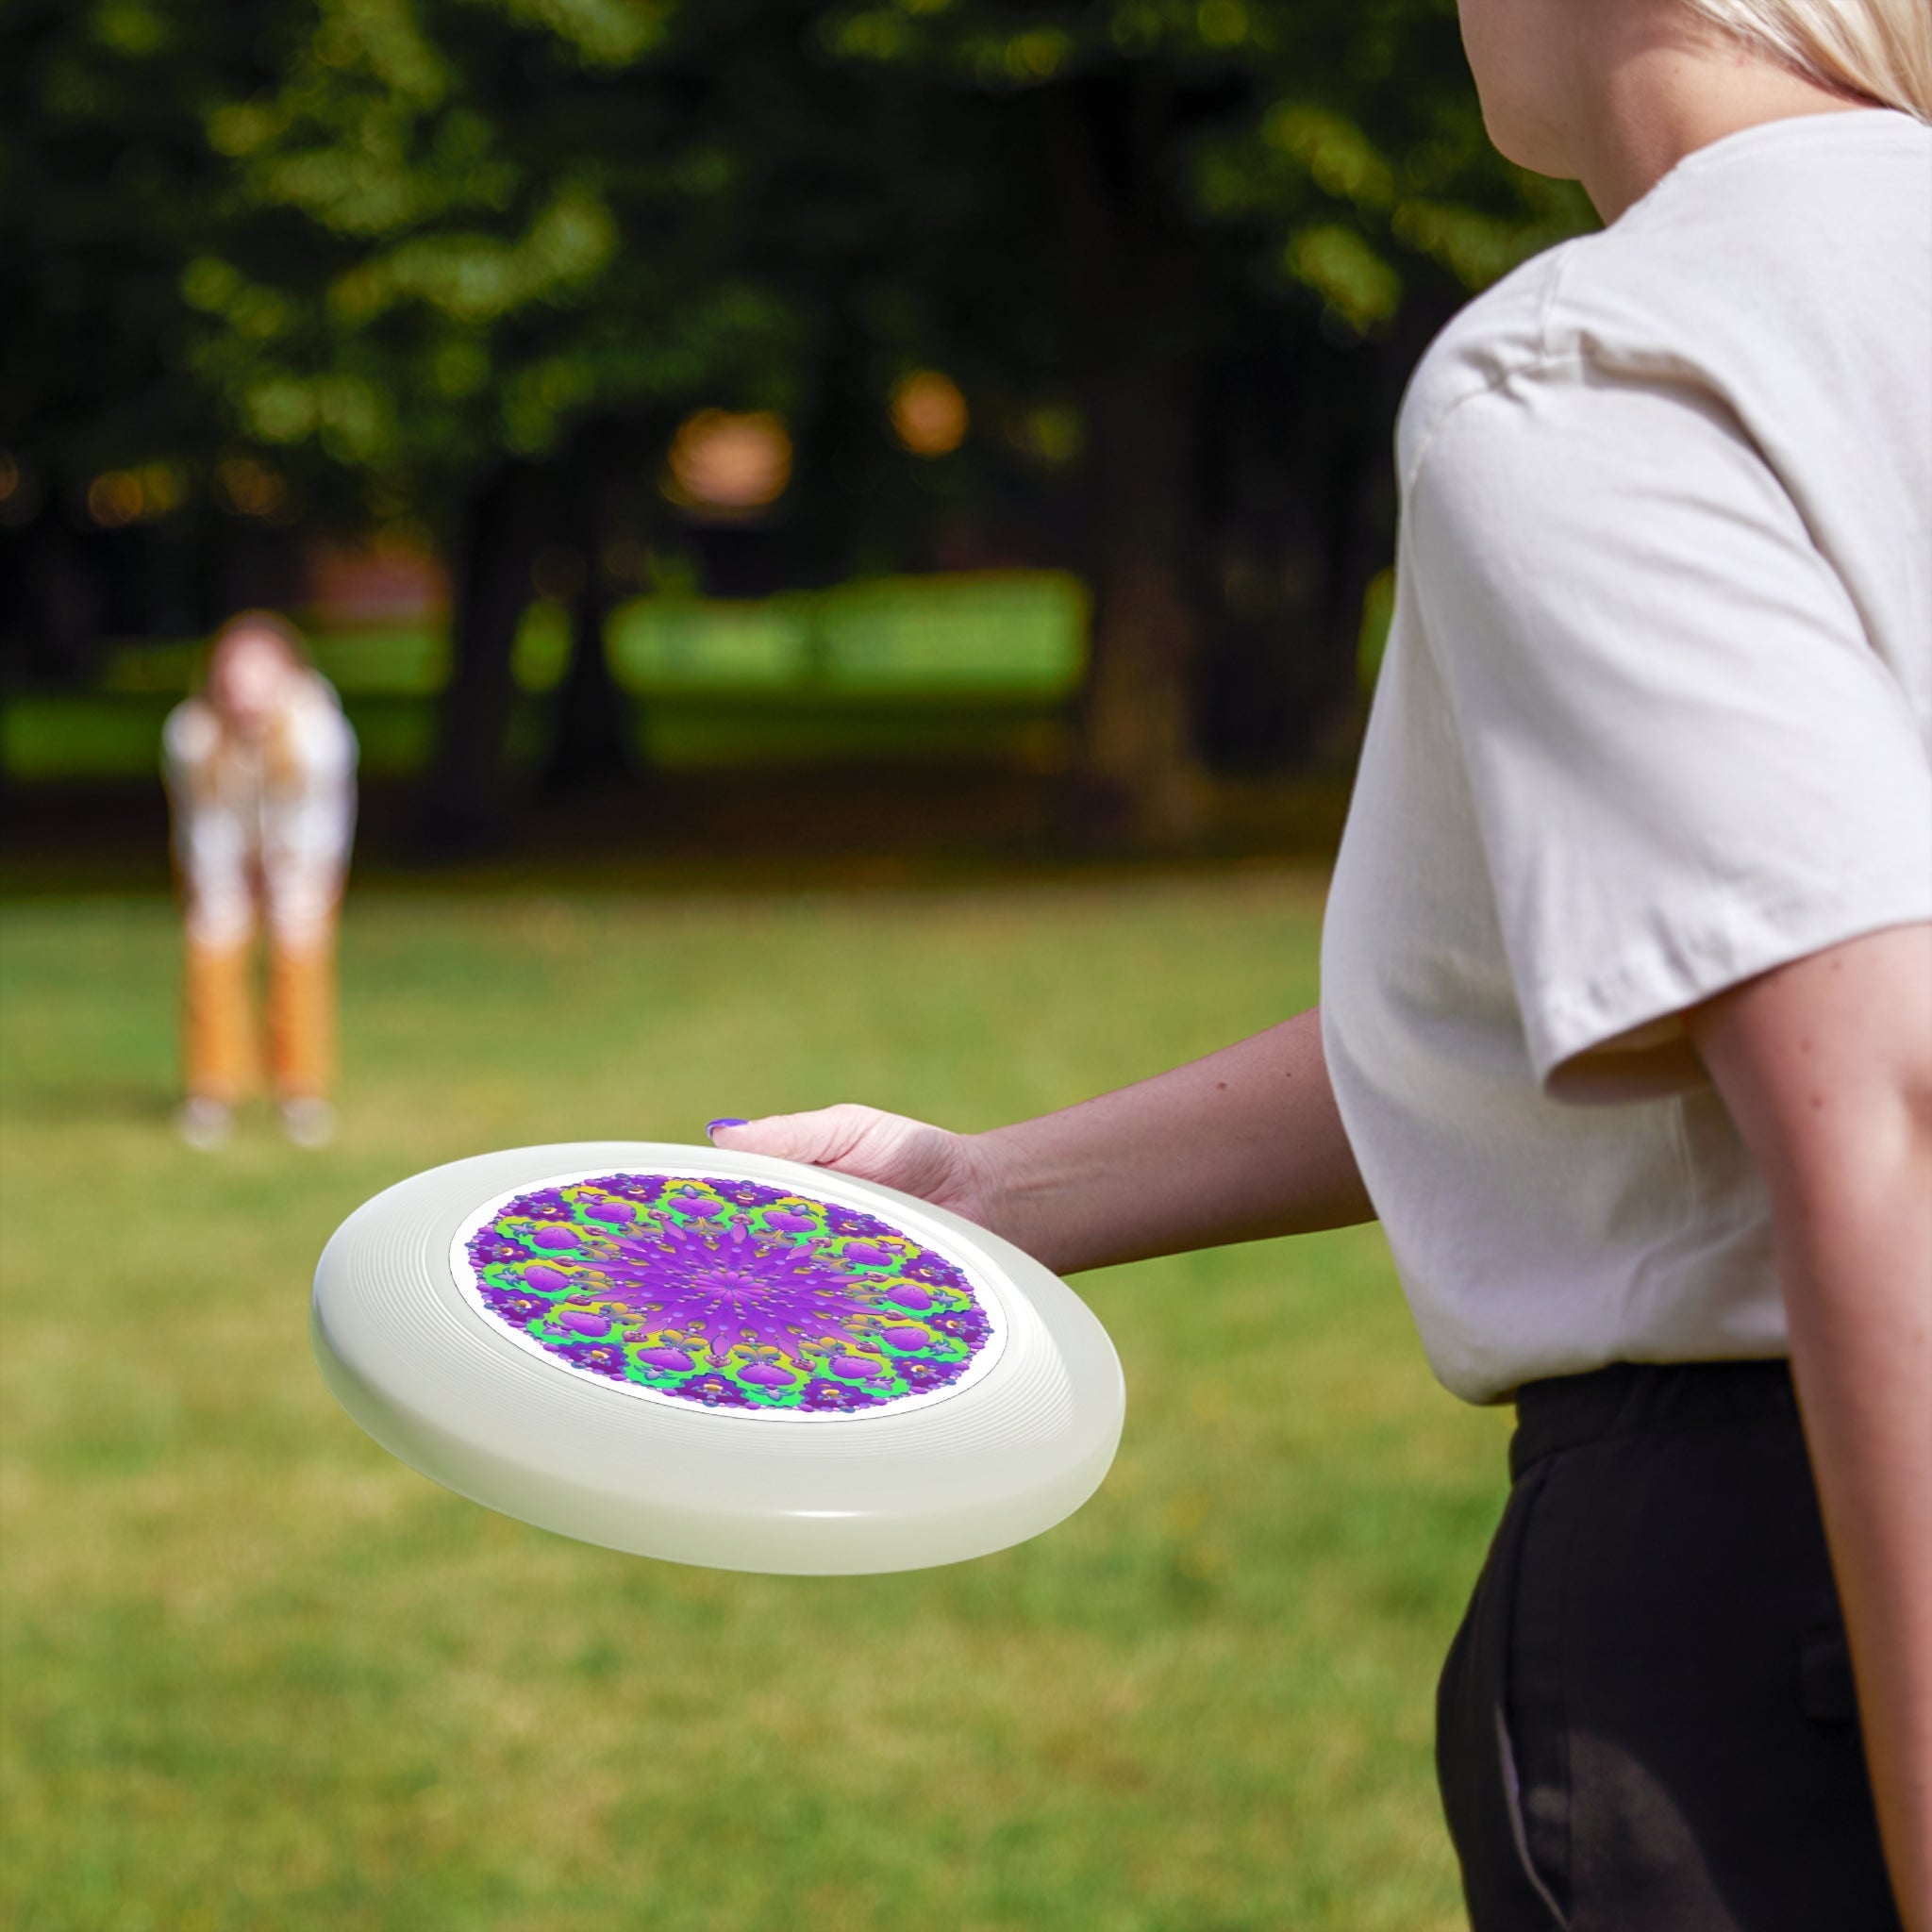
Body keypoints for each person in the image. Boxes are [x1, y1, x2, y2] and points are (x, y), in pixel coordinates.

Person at [707, 2, 1932, 1925]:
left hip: (1795, 1590)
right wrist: (984, 1188)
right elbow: (1641, 986)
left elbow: (1884, 1098)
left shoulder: (1608, 361)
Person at [162, 611, 358, 1151]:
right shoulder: (191, 735)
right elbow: (204, 824)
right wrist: (224, 887)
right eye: (234, 675)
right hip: (221, 857)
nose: (244, 690)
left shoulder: (319, 733)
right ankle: (212, 1091)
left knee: (299, 958)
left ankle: (301, 1092)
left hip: (302, 858)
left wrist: (287, 881)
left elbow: (317, 824)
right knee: (212, 952)